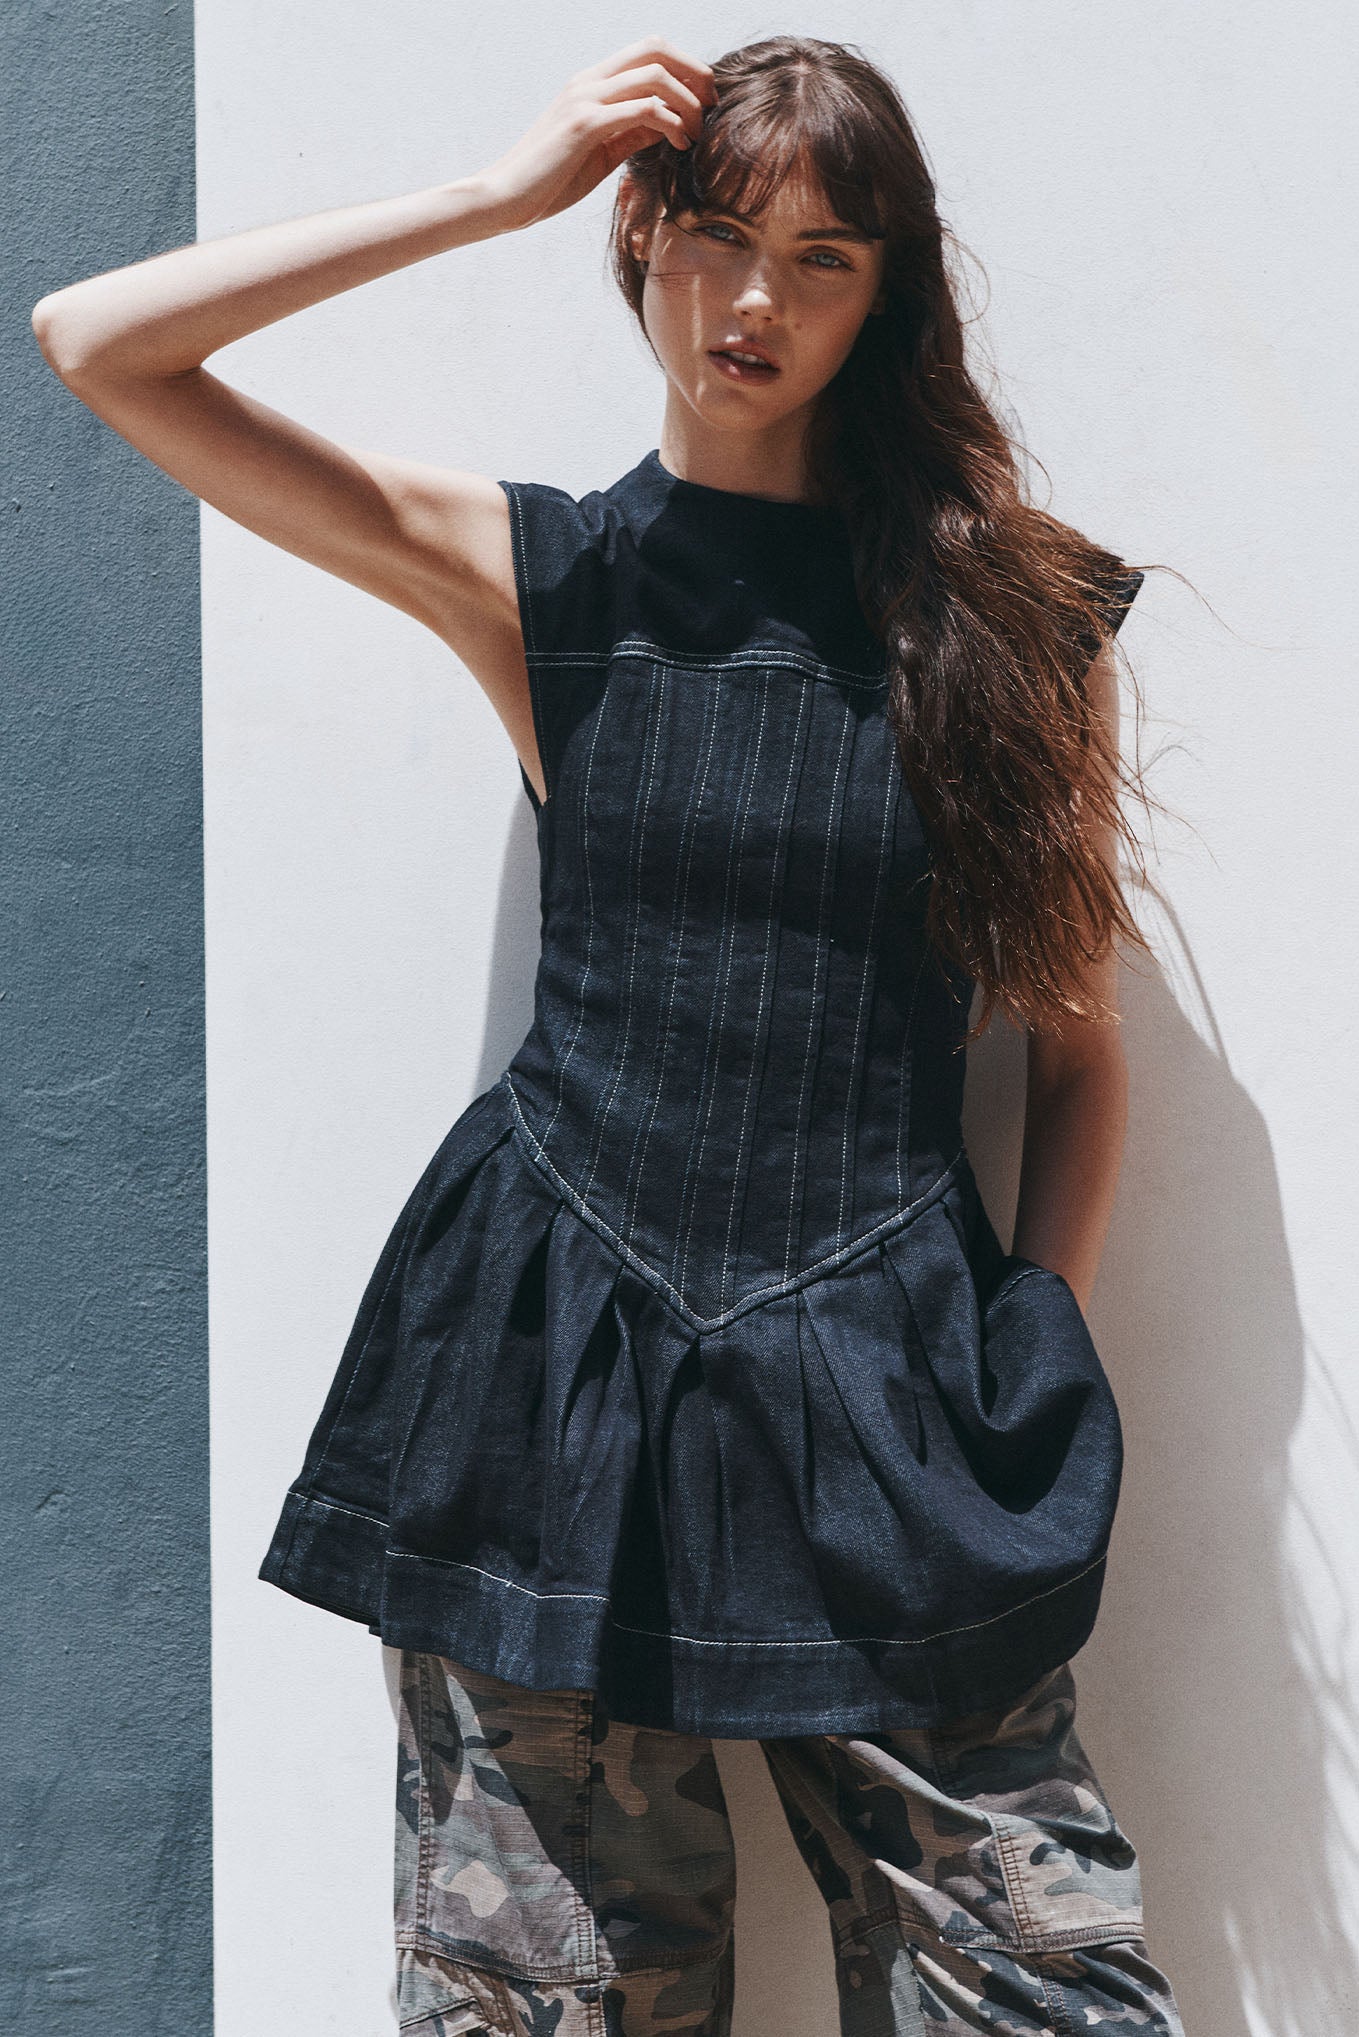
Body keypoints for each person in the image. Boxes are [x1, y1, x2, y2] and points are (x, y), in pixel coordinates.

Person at [33, 32, 1188, 2037]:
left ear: (884, 293)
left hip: (898, 1391)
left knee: (1043, 1991)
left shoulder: (1011, 624)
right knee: (547, 2007)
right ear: (641, 234)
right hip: (550, 1374)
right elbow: (99, 344)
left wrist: (1034, 1331)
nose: (754, 301)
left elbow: (1075, 1050)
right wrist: (491, 196)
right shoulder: (548, 574)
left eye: (821, 259)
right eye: (716, 236)